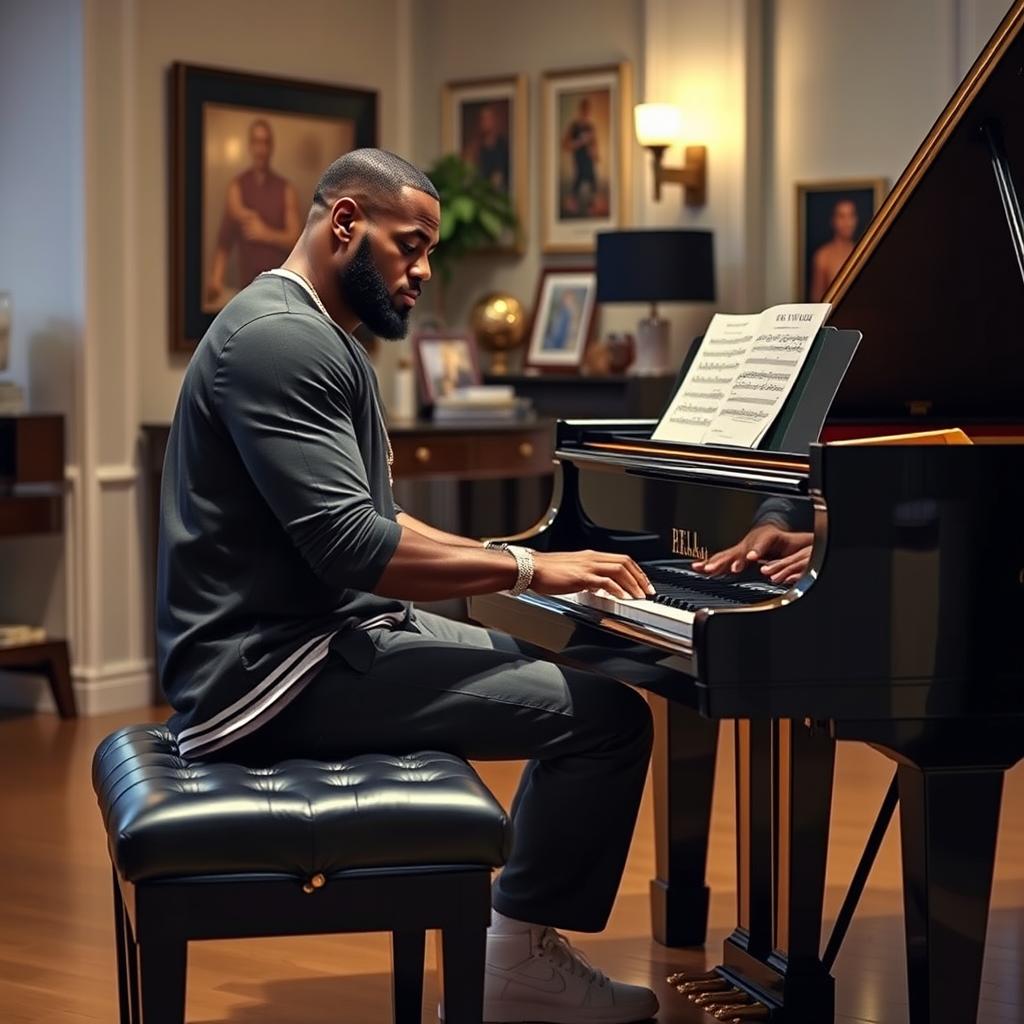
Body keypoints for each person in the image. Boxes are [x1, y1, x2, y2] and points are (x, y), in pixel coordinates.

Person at [158, 148, 659, 1024]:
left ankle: (519, 948)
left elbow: (377, 518)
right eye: (411, 245)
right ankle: (520, 963)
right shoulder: (280, 341)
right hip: (264, 680)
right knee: (607, 722)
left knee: (588, 682)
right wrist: (531, 566)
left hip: (318, 643)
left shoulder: (309, 330)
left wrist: (506, 553)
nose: (424, 271)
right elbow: (354, 547)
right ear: (346, 221)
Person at [206, 118, 302, 308]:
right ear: (250, 146)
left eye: (265, 142)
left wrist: (266, 233)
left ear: (271, 147)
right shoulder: (237, 187)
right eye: (257, 142)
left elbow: (295, 239)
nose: (261, 149)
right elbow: (224, 241)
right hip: (248, 289)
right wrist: (215, 281)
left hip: (282, 292)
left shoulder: (285, 189)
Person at [808, 197, 859, 302]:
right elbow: (817, 300)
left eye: (851, 216)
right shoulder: (823, 256)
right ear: (833, 220)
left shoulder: (862, 251)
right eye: (842, 216)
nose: (847, 222)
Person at [562, 97, 598, 216]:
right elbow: (566, 145)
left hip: (588, 160)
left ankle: (591, 207)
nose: (586, 113)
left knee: (592, 181)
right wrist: (580, 142)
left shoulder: (590, 127)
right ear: (581, 110)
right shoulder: (574, 127)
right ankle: (573, 206)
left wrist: (594, 153)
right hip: (579, 160)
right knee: (577, 182)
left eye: (587, 110)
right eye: (584, 110)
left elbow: (594, 145)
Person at [468, 102, 510, 194]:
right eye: (483, 119)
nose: (485, 122)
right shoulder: (477, 146)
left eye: (488, 118)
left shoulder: (502, 145)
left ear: (493, 120)